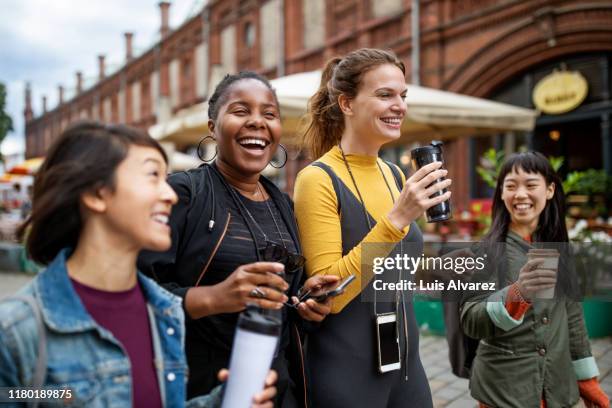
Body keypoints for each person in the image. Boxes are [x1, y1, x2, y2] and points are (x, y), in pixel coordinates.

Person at [0, 122, 277, 408]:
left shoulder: (164, 312)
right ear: (97, 194)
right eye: (152, 176)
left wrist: (223, 402)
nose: (169, 193)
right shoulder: (15, 329)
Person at [138, 72, 339, 407]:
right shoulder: (183, 194)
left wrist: (306, 305)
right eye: (241, 111)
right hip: (202, 388)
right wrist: (214, 297)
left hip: (278, 388)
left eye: (269, 114)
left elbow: (285, 303)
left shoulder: (284, 206)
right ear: (212, 126)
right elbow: (135, 294)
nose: (257, 122)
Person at [294, 48, 452, 407]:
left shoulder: (396, 175)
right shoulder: (317, 179)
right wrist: (398, 219)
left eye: (402, 95)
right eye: (385, 95)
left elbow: (398, 272)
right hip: (346, 371)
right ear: (347, 104)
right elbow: (328, 296)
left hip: (407, 365)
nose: (399, 106)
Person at [460, 151, 610, 407]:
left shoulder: (560, 248)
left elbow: (572, 318)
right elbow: (470, 320)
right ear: (502, 194)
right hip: (503, 391)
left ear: (549, 190)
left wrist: (587, 380)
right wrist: (516, 294)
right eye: (510, 186)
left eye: (531, 185)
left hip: (556, 388)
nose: (520, 194)